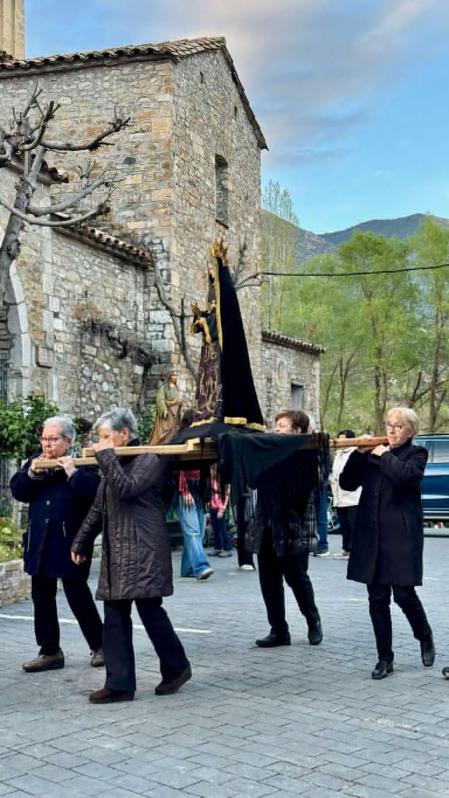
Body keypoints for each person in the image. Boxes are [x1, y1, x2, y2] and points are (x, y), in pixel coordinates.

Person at [71, 408, 191, 703]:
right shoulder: (113, 461)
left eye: (106, 437)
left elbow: (127, 489)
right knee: (115, 616)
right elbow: (100, 507)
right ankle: (120, 684)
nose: (101, 443)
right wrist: (80, 542)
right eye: (100, 438)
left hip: (143, 550)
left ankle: (176, 667)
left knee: (150, 612)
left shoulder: (150, 458)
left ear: (125, 434)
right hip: (118, 551)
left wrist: (106, 458)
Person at [340, 406, 435, 680]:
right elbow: (347, 483)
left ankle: (424, 634)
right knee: (377, 597)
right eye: (389, 425)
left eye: (398, 426)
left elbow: (404, 477)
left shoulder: (417, 454)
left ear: (410, 431)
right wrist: (358, 455)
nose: (391, 430)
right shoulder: (373, 451)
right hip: (372, 535)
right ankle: (385, 657)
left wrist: (382, 455)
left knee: (404, 594)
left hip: (401, 536)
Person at [10, 416, 104, 672]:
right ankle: (50, 651)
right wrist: (31, 474)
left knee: (77, 593)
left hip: (70, 541)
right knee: (41, 597)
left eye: (53, 439)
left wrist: (72, 472)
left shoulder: (85, 465)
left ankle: (100, 645)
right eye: (44, 438)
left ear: (68, 441)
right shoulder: (34, 462)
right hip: (40, 541)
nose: (47, 444)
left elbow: (95, 494)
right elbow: (18, 491)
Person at [252, 410, 323, 648]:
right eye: (276, 425)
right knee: (269, 582)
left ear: (297, 431)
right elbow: (253, 479)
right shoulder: (266, 453)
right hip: (268, 526)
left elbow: (315, 479)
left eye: (282, 426)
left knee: (297, 578)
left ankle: (313, 621)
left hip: (294, 527)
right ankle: (279, 630)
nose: (276, 429)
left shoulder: (306, 455)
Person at [178, 467, 214, 580]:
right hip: (187, 485)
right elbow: (177, 467)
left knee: (198, 533)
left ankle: (187, 569)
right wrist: (184, 490)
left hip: (199, 486)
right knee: (193, 531)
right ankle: (201, 566)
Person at [330, 429, 361, 559]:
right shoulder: (338, 454)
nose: (341, 442)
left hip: (352, 497)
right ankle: (346, 548)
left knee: (353, 524)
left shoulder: (354, 454)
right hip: (339, 497)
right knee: (343, 525)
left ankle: (355, 550)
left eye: (344, 439)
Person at [149, 367, 183, 445]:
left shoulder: (177, 389)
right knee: (164, 431)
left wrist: (179, 403)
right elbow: (160, 399)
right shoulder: (164, 388)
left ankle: (170, 445)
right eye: (173, 375)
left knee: (173, 431)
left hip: (175, 414)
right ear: (169, 376)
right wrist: (164, 409)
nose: (175, 377)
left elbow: (178, 400)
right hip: (167, 414)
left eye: (176, 375)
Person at [209, 464, 232, 557]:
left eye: (213, 469)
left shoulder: (224, 481)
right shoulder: (212, 479)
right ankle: (218, 547)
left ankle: (227, 548)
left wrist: (222, 509)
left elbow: (226, 496)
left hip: (219, 507)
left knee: (222, 529)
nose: (212, 470)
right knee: (215, 528)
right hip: (213, 506)